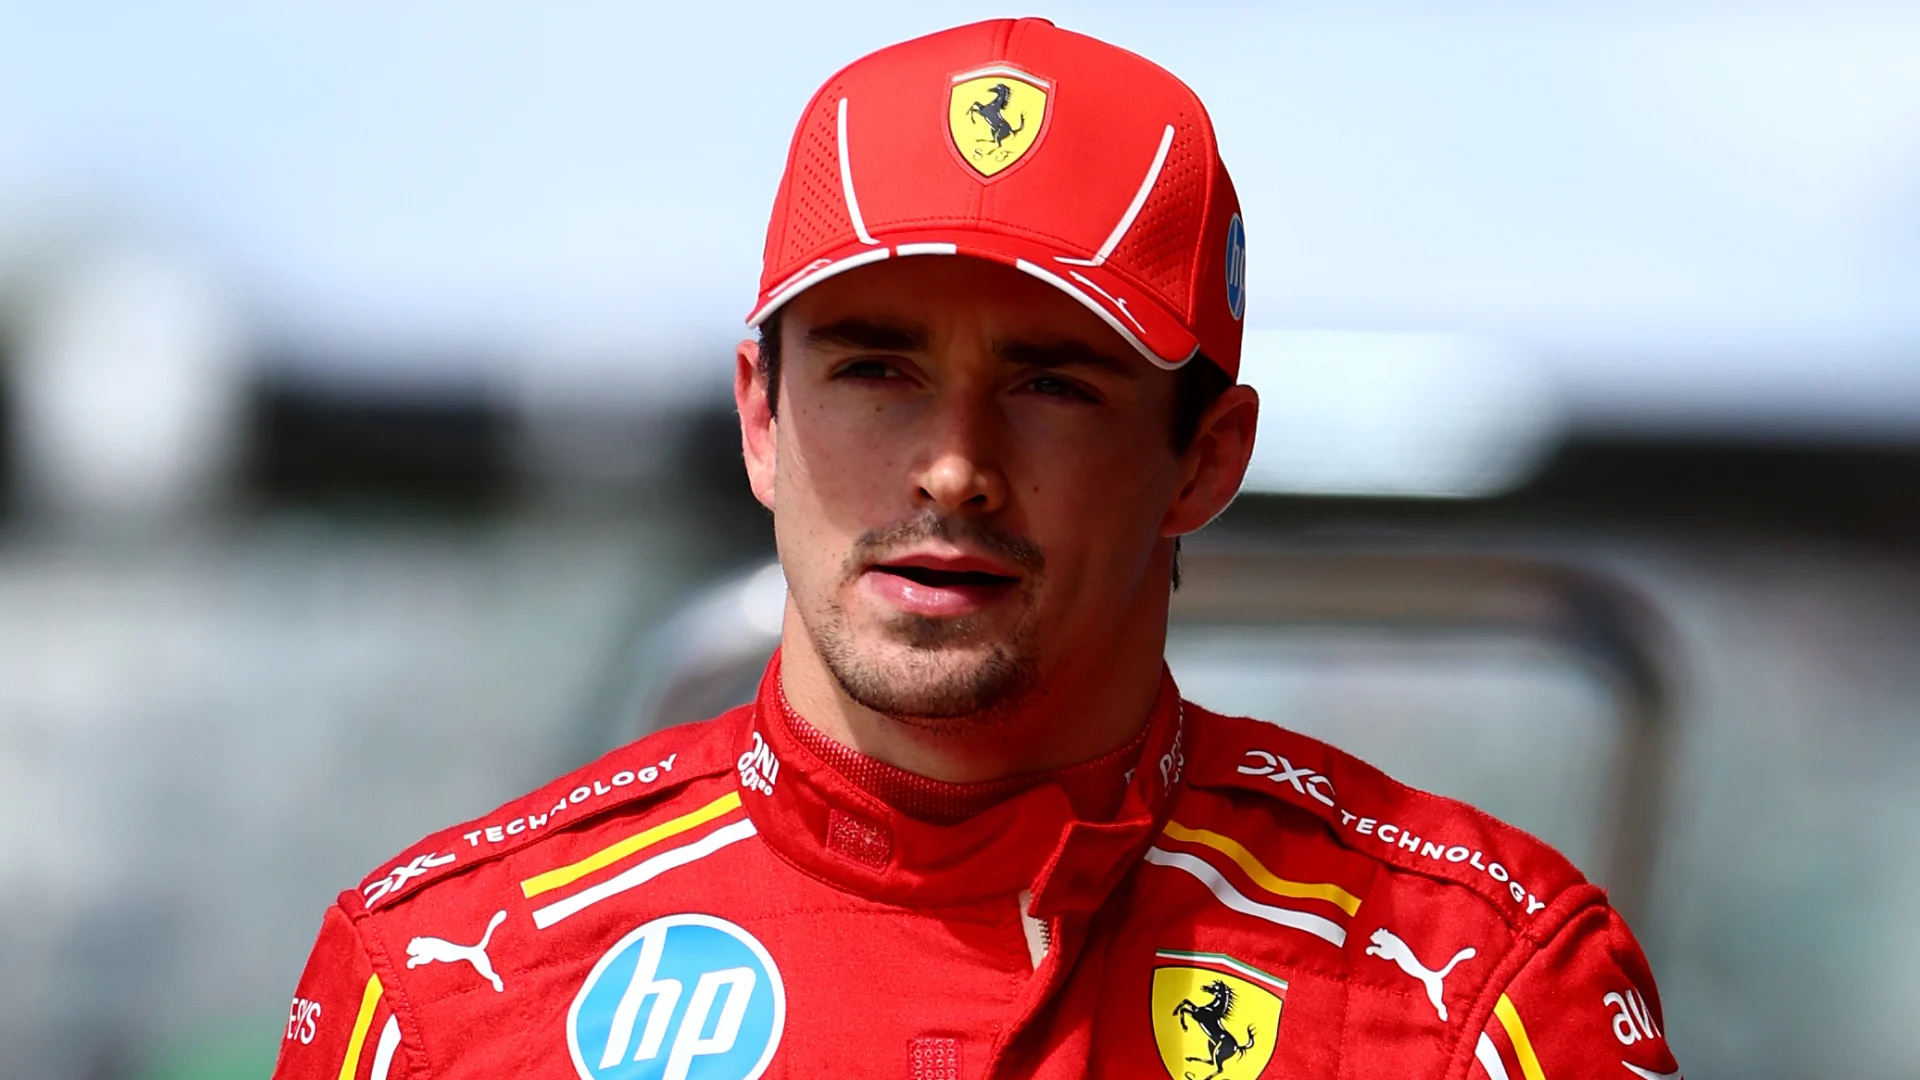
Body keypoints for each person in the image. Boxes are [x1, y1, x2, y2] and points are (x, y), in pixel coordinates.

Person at [271, 18, 1682, 1080]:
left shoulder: (1473, 985)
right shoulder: (440, 988)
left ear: (1206, 456)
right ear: (759, 416)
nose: (953, 466)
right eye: (877, 368)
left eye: (1052, 384)